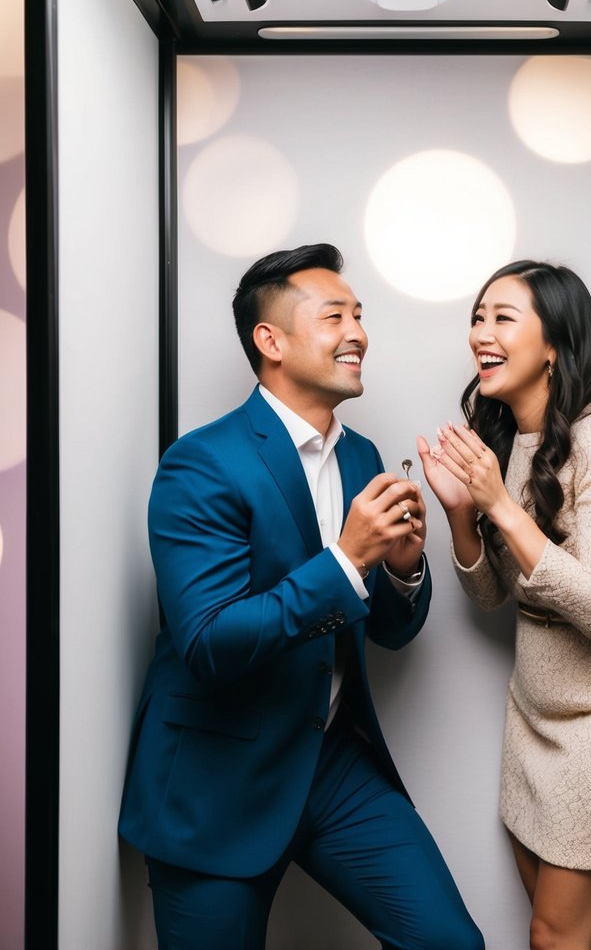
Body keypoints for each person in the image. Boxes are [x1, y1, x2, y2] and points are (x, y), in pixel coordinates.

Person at [119, 243, 484, 950]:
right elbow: (207, 643)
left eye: (359, 315)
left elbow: (387, 631)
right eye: (335, 316)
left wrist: (403, 570)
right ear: (271, 340)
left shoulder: (361, 457)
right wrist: (348, 559)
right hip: (215, 778)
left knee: (449, 943)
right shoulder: (201, 463)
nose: (357, 333)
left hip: (332, 764)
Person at [417, 260, 591, 950]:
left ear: (553, 342)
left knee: (554, 937)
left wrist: (496, 504)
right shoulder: (505, 440)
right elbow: (494, 596)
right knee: (549, 934)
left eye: (502, 317)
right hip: (530, 717)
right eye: (477, 316)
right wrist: (462, 514)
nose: (479, 334)